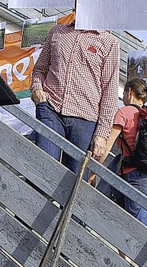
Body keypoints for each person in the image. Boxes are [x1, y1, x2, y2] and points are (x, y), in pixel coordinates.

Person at [31, 22, 120, 173]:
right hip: (51, 108)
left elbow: (109, 93)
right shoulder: (57, 31)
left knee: (75, 179)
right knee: (43, 167)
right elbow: (39, 69)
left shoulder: (109, 41)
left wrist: (102, 134)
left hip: (85, 120)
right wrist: (37, 90)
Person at [89, 78, 147, 227]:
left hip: (137, 178)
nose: (123, 97)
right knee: (123, 229)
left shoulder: (124, 112)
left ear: (129, 92)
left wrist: (94, 171)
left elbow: (107, 145)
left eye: (124, 93)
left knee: (137, 232)